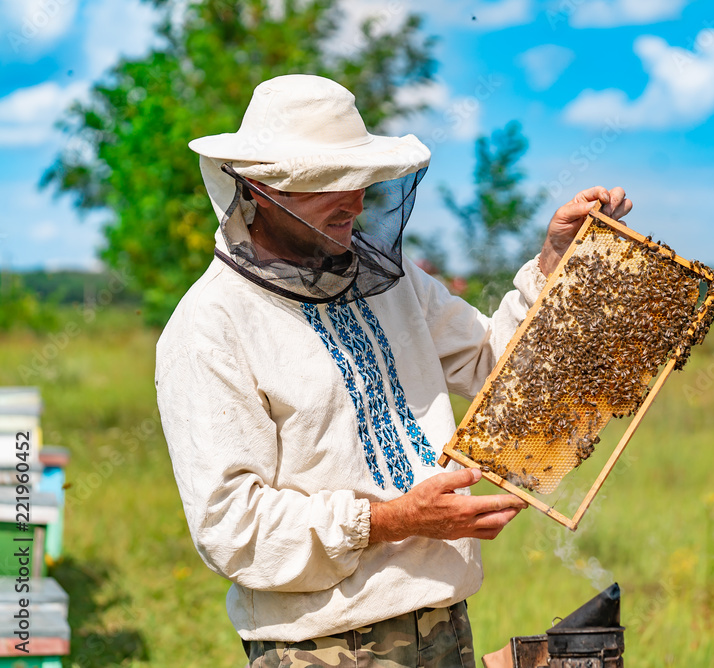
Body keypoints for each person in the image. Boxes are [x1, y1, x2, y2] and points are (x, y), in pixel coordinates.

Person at [155, 73, 632, 667]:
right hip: (320, 646)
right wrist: (398, 519)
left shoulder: (393, 281)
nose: (354, 201)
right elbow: (231, 524)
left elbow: (497, 372)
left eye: (360, 180)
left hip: (443, 622)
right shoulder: (211, 326)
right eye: (328, 182)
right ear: (256, 187)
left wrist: (554, 264)